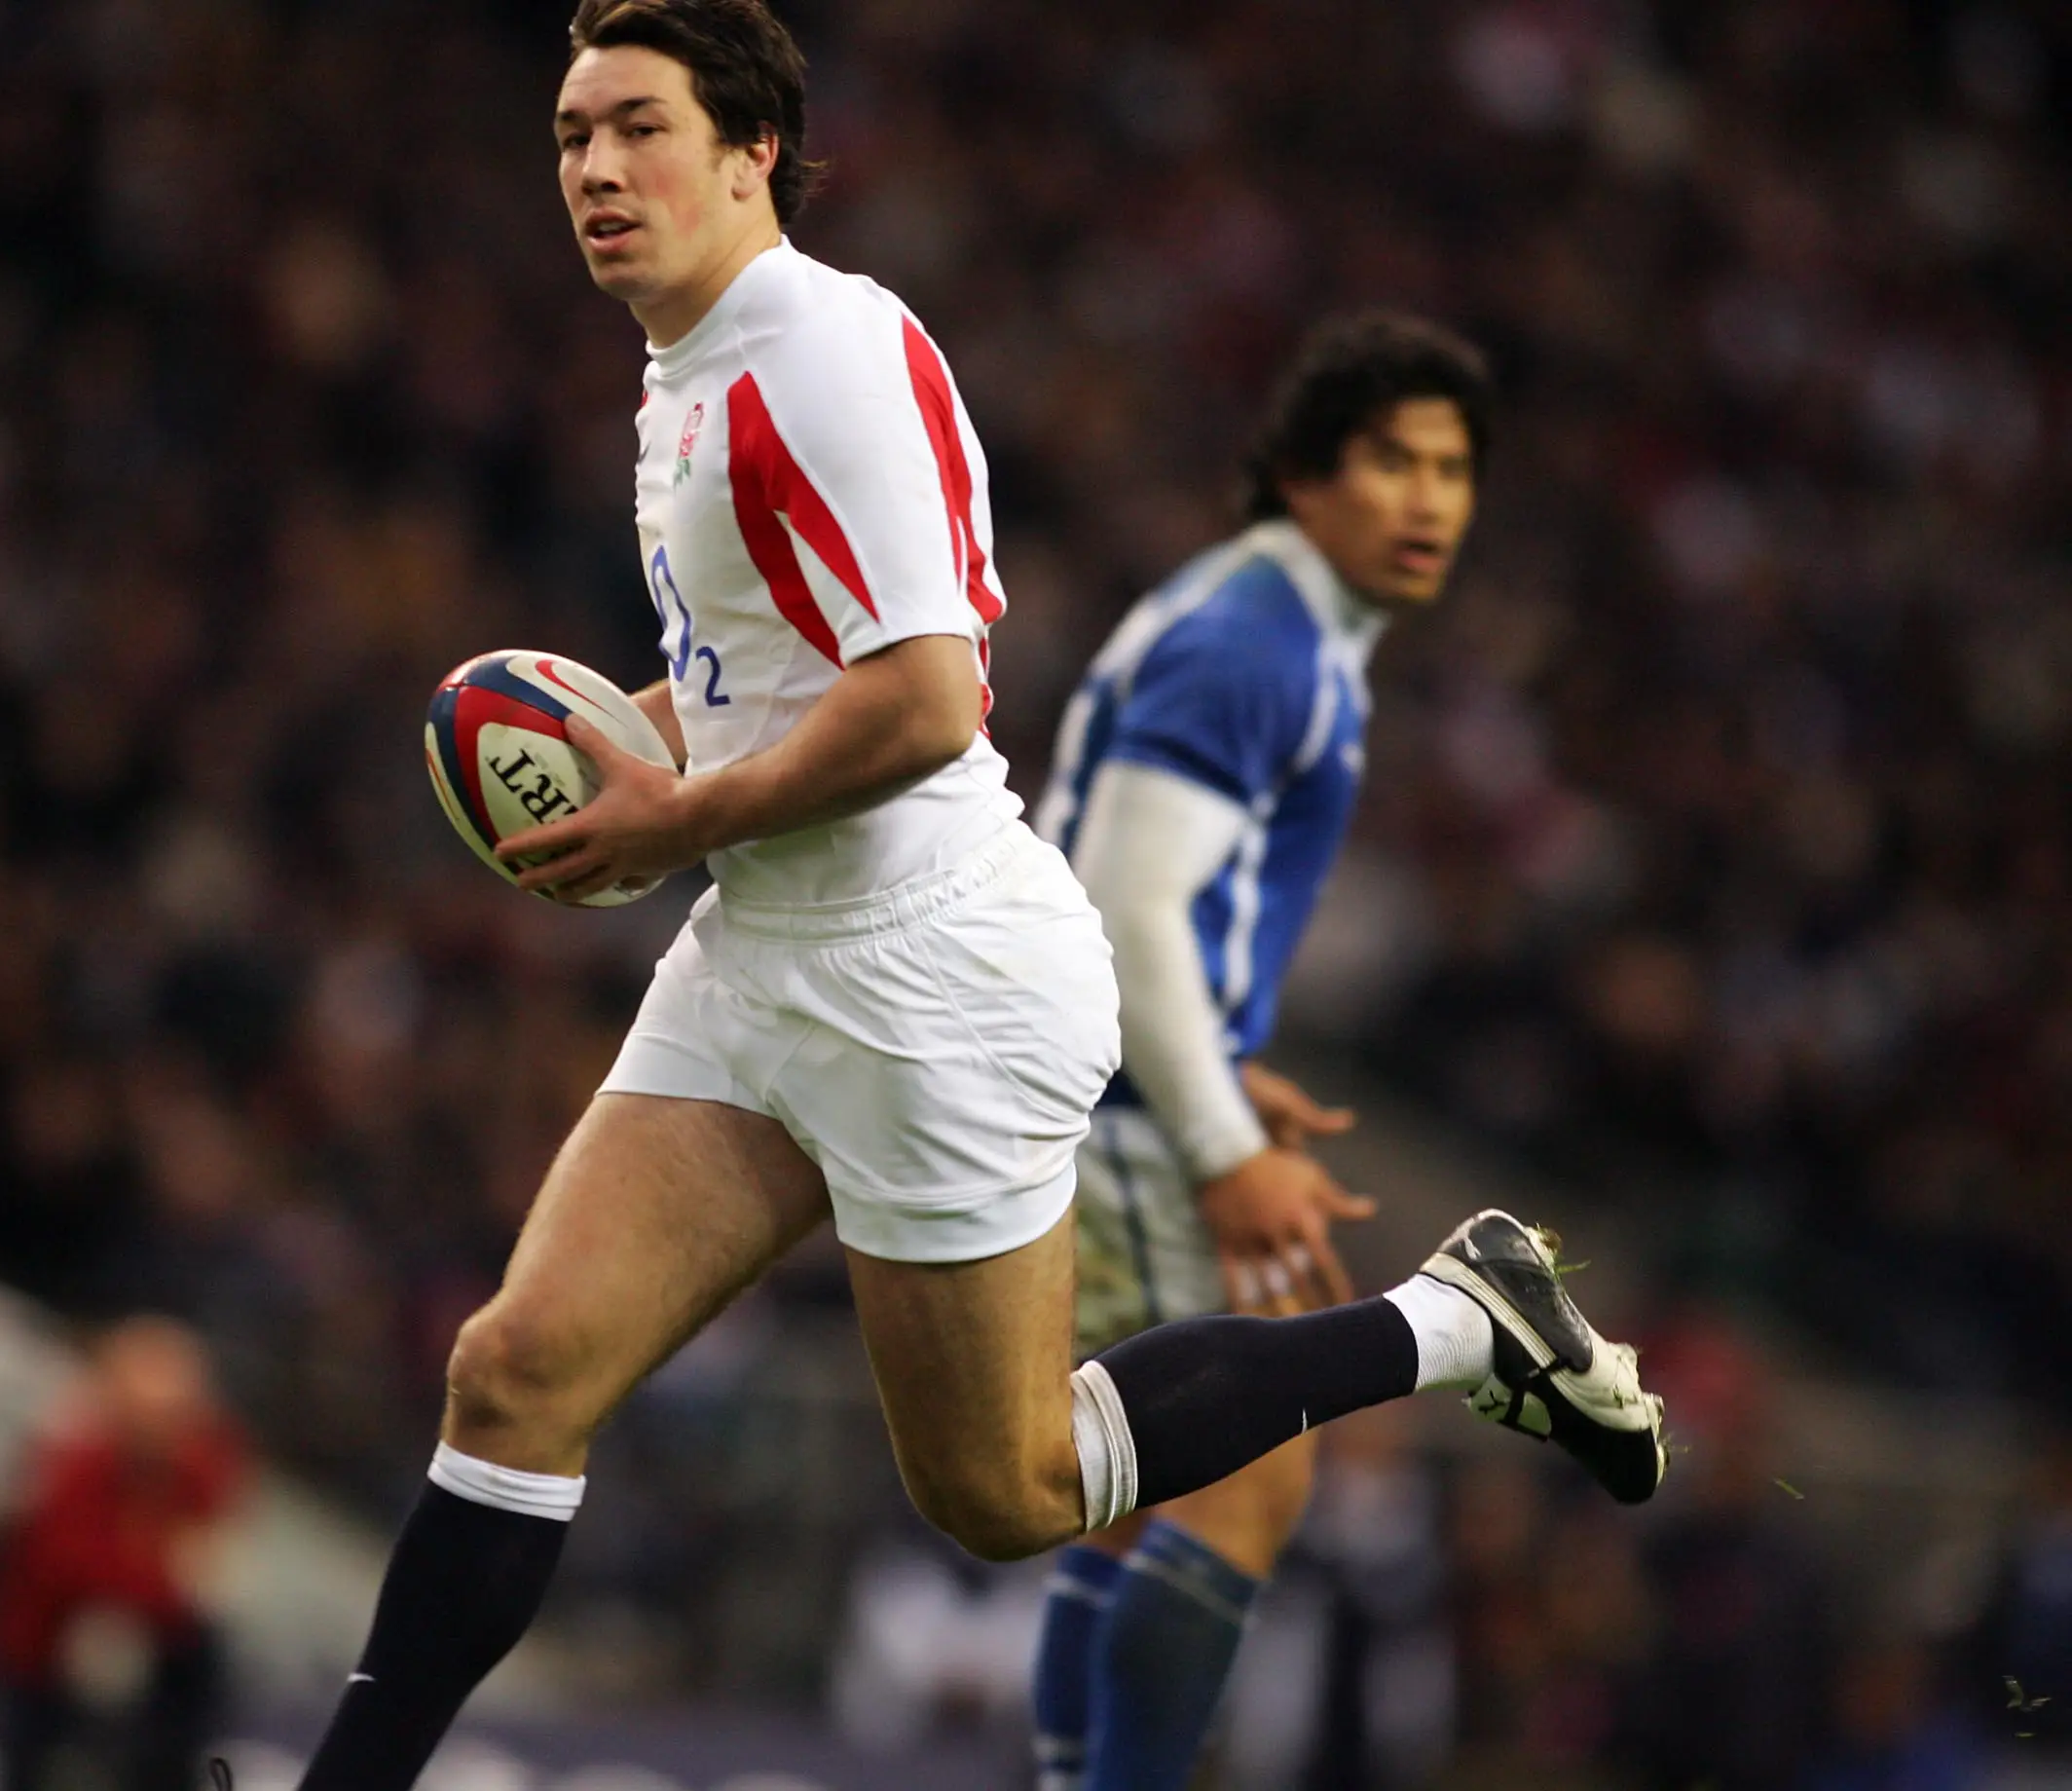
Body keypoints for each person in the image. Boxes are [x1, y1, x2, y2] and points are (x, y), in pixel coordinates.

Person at [271, 7, 1666, 1787]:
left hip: (930, 970)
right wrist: (637, 754)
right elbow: (762, 667)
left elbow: (928, 695)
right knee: (517, 1368)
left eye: (638, 127)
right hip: (769, 948)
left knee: (1006, 1488)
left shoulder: (820, 352)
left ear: (750, 148)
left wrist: (673, 812)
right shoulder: (685, 366)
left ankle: (1463, 1320)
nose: (598, 171)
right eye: (569, 138)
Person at [1025, 311, 1536, 1791]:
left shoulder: (1262, 619)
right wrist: (1222, 1138)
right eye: (1390, 459)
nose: (1429, 497)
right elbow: (1125, 899)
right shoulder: (1258, 638)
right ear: (1304, 472)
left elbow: (1099, 870)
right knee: (1234, 1487)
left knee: (1122, 1497)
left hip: (1105, 1086)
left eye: (1452, 467)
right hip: (1124, 1115)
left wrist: (1219, 1063)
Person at [0, 1317, 248, 1791]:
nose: (158, 1427)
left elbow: (204, 1567)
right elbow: (62, 1565)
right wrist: (155, 1570)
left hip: (152, 1638)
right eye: (144, 1410)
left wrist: (157, 1577)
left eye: (173, 1413)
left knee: (200, 1658)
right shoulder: (76, 1455)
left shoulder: (203, 1461)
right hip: (43, 1641)